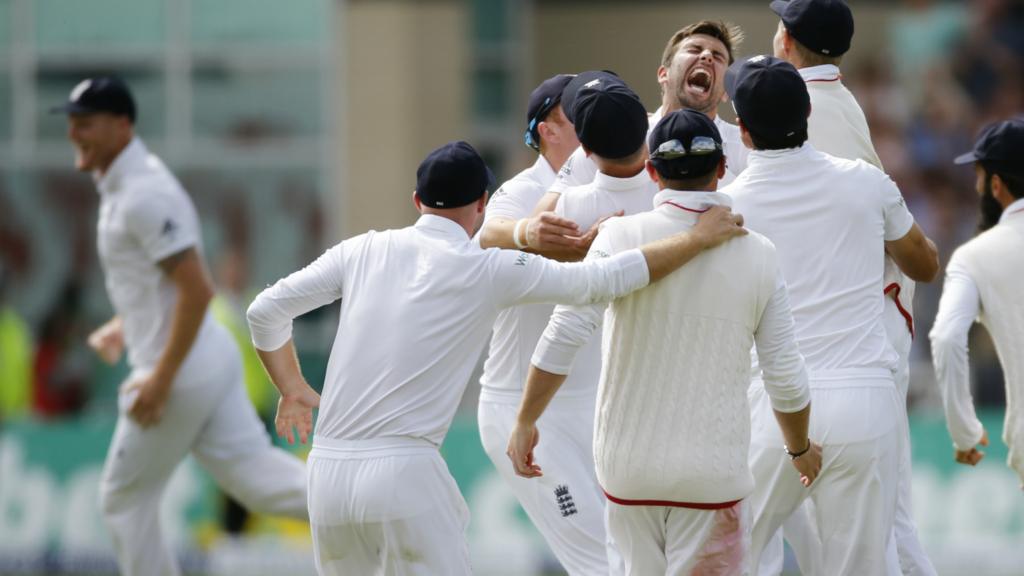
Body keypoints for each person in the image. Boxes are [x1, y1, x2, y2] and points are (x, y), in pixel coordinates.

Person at [245, 140, 747, 575]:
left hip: (327, 472)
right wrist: (695, 238)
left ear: (417, 200)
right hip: (404, 472)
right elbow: (603, 283)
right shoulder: (488, 268)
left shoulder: (362, 249)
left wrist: (291, 388)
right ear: (483, 204)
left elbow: (264, 312)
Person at [508, 108, 820, 574]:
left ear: (652, 171)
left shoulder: (618, 234)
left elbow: (564, 334)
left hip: (628, 472)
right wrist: (799, 448)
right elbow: (785, 375)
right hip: (711, 477)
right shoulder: (758, 253)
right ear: (721, 169)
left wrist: (526, 420)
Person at [53, 76, 308, 576]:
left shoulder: (143, 193)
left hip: (180, 371)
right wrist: (123, 326)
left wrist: (161, 380)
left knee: (124, 503)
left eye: (85, 124)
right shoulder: (127, 184)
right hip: (204, 359)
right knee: (259, 481)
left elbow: (197, 289)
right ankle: (383, 503)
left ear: (122, 125)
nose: (73, 134)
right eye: (70, 123)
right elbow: (159, 286)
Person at [722, 56, 940, 575]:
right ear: (807, 114)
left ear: (744, 133)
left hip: (771, 408)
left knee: (724, 559)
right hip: (864, 402)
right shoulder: (866, 183)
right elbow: (924, 265)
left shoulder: (726, 208)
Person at [475, 75, 616, 575]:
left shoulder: (610, 179)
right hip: (525, 411)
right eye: (577, 109)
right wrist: (527, 233)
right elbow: (484, 236)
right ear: (547, 128)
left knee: (630, 555)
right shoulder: (522, 192)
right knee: (597, 558)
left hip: (595, 405)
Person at [544, 20, 750, 209]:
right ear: (663, 74)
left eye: (717, 56)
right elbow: (543, 219)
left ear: (725, 91)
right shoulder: (621, 132)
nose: (706, 56)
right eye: (694, 49)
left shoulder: (743, 148)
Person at [931, 117, 1024, 490]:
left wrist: (964, 431)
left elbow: (947, 338)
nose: (977, 186)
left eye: (980, 176)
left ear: (997, 186)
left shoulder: (975, 256)